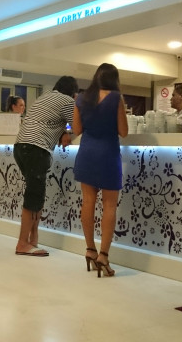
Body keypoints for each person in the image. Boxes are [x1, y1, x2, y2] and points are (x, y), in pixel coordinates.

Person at [72, 63, 128, 277]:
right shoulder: (116, 98)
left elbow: (77, 129)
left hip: (87, 153)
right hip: (108, 155)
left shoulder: (81, 98)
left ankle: (90, 250)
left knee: (88, 202)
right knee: (109, 205)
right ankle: (103, 256)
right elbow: (124, 131)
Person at [13, 76, 79, 256]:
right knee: (34, 195)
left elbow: (50, 120)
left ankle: (32, 239)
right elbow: (79, 126)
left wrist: (63, 131)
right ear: (73, 93)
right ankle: (22, 243)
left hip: (20, 147)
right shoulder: (67, 101)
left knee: (36, 194)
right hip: (36, 148)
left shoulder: (45, 96)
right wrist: (68, 132)